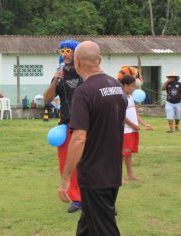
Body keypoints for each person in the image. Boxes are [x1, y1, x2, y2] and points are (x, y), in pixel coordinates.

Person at [58, 41, 127, 236]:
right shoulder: (116, 85)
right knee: (87, 226)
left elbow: (79, 138)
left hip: (94, 176)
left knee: (105, 230)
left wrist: (65, 180)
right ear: (100, 60)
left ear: (77, 62)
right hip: (112, 172)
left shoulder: (84, 91)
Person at [43, 39, 83, 213]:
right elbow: (47, 99)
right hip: (66, 124)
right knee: (67, 163)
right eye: (62, 51)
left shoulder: (85, 72)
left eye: (69, 50)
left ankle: (97, 198)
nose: (65, 54)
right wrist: (55, 81)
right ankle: (77, 199)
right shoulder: (59, 74)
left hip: (86, 124)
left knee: (89, 162)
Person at [120, 75, 152, 184]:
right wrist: (133, 126)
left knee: (129, 154)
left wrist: (144, 124)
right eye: (132, 86)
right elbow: (121, 116)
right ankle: (117, 177)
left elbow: (134, 113)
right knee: (122, 155)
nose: (133, 88)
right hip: (125, 131)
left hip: (132, 131)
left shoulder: (130, 97)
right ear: (125, 85)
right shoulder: (121, 97)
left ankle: (130, 174)